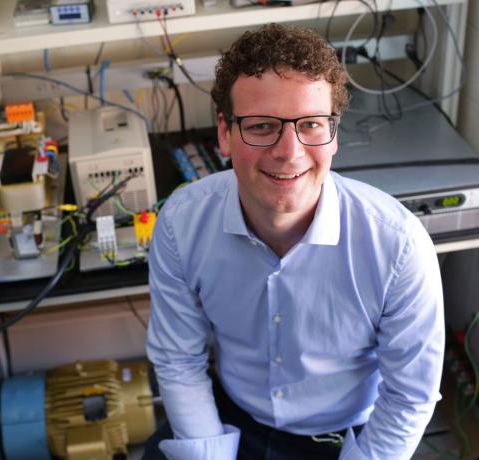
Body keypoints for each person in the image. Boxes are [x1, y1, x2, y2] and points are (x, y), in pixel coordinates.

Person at [144, 23, 444, 460]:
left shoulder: (398, 247)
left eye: (311, 125)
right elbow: (179, 362)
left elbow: (409, 396)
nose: (290, 151)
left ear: (333, 133)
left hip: (349, 437)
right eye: (263, 126)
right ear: (225, 133)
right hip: (232, 418)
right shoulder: (182, 223)